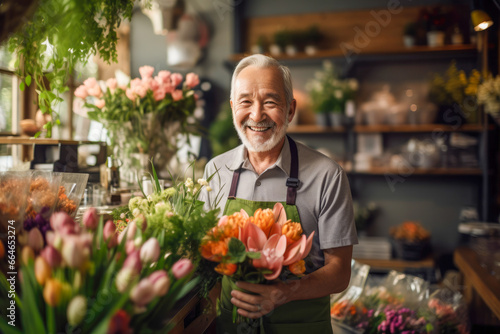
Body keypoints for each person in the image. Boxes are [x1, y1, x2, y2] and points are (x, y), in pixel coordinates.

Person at [201, 54, 358, 334]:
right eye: (245, 101)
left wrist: (283, 292)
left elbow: (340, 273)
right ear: (232, 107)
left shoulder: (327, 176)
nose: (257, 115)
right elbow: (207, 261)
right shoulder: (216, 170)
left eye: (270, 102)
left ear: (290, 110)